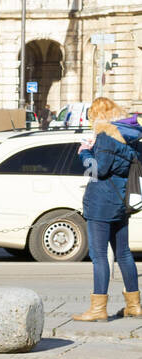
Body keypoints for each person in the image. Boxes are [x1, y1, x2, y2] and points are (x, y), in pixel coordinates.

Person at [74, 97, 142, 321]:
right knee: (123, 253)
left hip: (101, 203)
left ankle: (98, 309)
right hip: (122, 201)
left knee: (99, 255)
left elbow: (99, 170)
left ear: (99, 116)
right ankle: (134, 305)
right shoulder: (132, 139)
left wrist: (85, 152)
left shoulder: (105, 138)